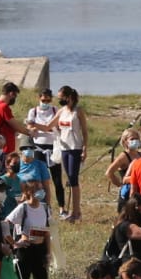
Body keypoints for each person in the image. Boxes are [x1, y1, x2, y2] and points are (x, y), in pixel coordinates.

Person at [6, 178, 54, 279]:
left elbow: (47, 232)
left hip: (40, 251)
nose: (41, 192)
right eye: (37, 189)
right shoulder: (23, 208)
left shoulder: (45, 208)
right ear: (29, 192)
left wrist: (49, 253)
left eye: (41, 189)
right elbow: (5, 223)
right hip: (25, 251)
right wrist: (14, 243)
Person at [53, 86, 87, 222]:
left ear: (68, 97)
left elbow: (84, 131)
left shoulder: (78, 112)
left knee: (73, 179)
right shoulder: (61, 111)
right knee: (69, 177)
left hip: (75, 147)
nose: (59, 100)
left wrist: (85, 148)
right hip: (64, 147)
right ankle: (74, 212)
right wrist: (34, 126)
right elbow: (49, 125)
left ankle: (76, 212)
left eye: (61, 97)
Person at [0, 81, 22, 154]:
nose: (14, 99)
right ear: (11, 94)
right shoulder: (4, 107)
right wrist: (29, 133)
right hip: (5, 146)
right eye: (15, 96)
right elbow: (16, 126)